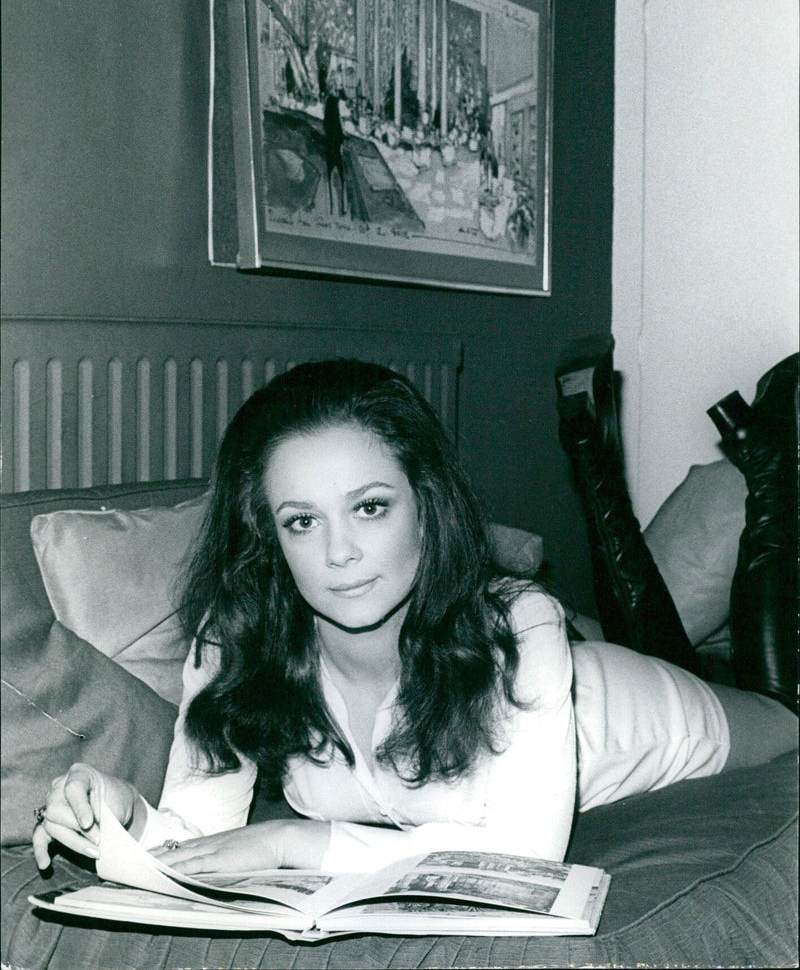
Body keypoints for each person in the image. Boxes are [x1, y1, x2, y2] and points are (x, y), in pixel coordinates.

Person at [33, 359, 798, 878]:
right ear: (270, 538)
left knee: (787, 716)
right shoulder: (232, 648)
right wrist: (121, 814)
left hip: (626, 715)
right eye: (301, 521)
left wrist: (306, 841)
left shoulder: (521, 621)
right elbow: (199, 837)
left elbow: (526, 856)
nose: (339, 552)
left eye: (370, 507)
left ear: (424, 508)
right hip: (554, 671)